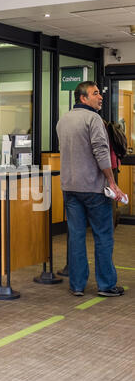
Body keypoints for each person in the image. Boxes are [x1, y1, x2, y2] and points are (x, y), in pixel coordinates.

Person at [56, 81, 125, 297]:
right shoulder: (93, 119)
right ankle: (106, 285)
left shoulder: (63, 120)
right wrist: (112, 182)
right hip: (94, 188)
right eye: (95, 94)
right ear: (83, 98)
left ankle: (77, 285)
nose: (100, 97)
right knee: (103, 236)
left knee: (76, 236)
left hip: (70, 187)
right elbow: (101, 152)